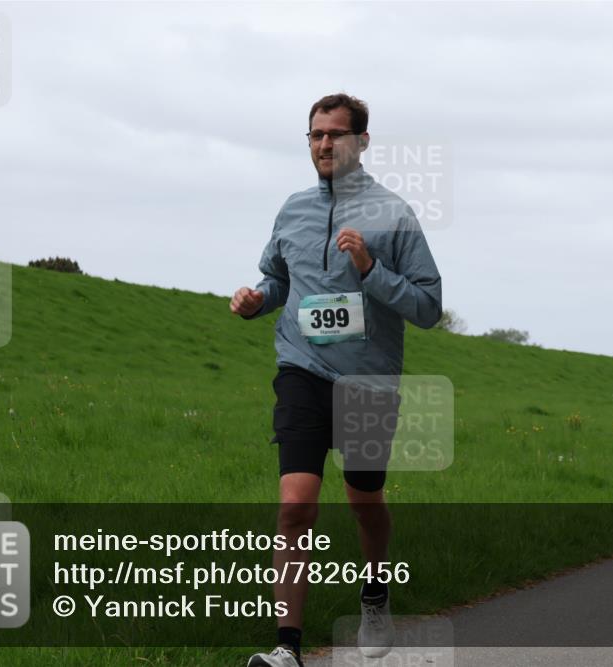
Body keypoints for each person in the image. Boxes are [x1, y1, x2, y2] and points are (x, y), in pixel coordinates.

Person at [231, 93, 443, 667]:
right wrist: (254, 301)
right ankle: (286, 647)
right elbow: (277, 280)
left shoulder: (394, 214)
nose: (325, 145)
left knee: (363, 500)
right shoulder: (293, 209)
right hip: (301, 368)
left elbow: (428, 306)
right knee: (295, 505)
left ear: (361, 142)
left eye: (336, 135)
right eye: (316, 135)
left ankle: (375, 596)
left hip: (369, 383)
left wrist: (371, 271)